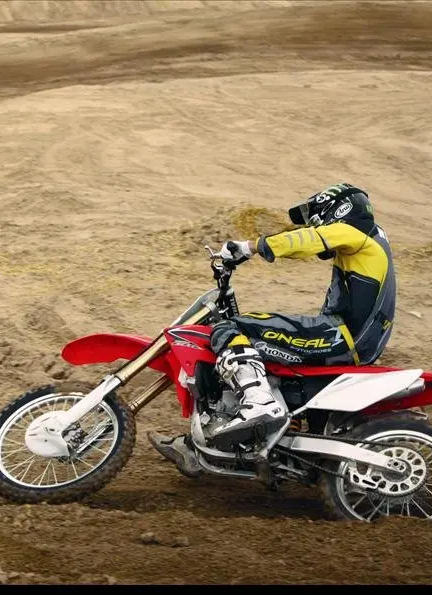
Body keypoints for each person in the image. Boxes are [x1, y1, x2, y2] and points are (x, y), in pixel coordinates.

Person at [149, 183, 396, 477]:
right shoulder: (371, 241)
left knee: (232, 328)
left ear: (340, 210)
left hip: (341, 336)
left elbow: (307, 240)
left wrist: (250, 246)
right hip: (349, 336)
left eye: (318, 216)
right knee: (256, 349)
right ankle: (207, 444)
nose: (315, 223)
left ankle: (259, 404)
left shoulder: (356, 233)